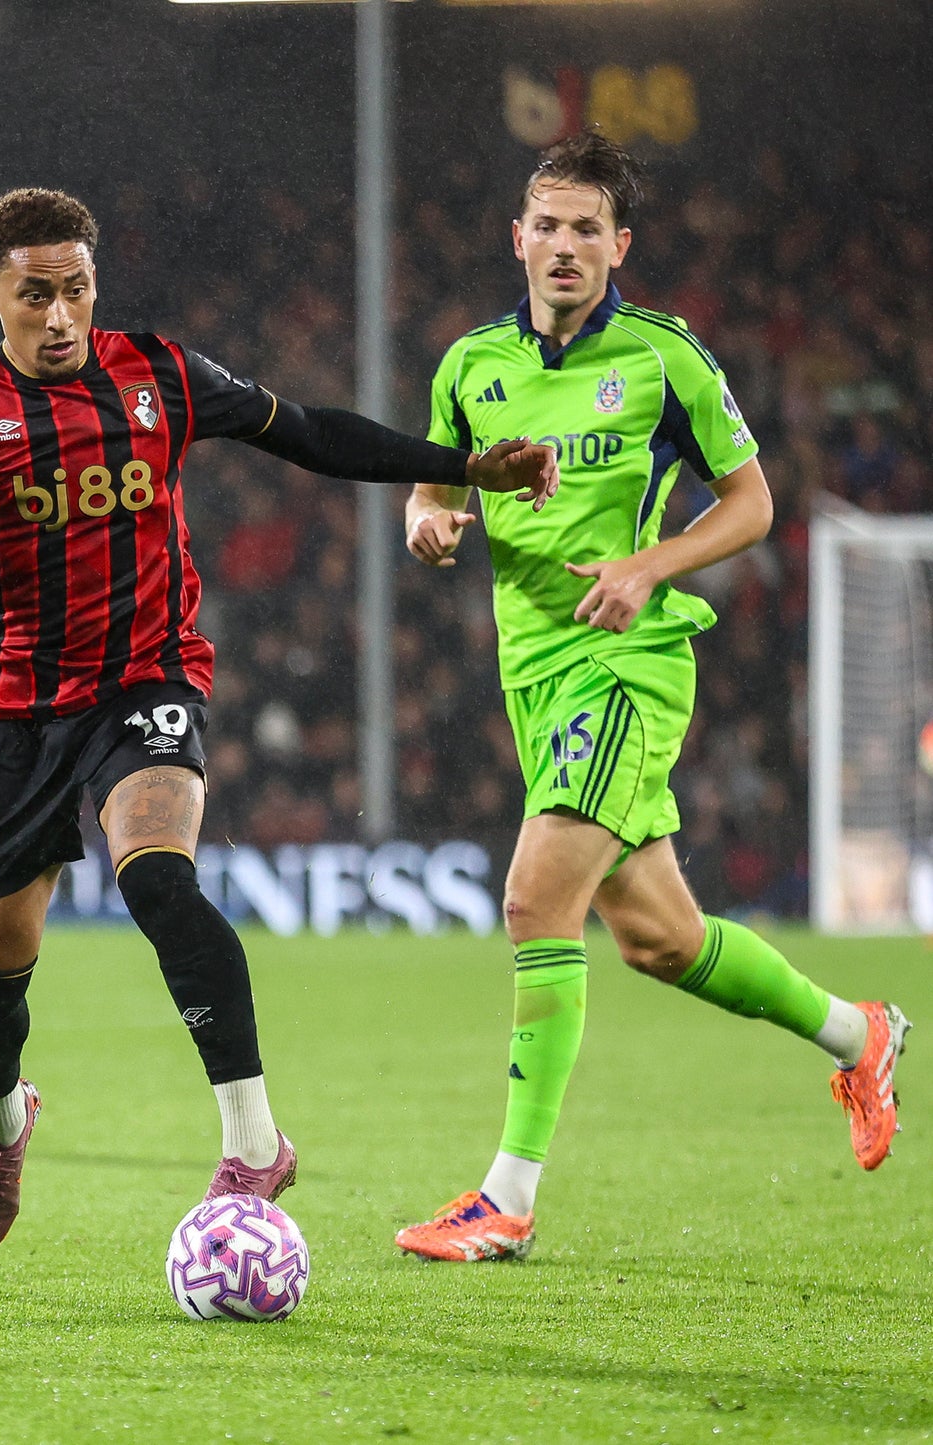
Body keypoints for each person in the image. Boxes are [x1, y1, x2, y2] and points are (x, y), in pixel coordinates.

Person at [0, 186, 558, 1252]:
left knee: (157, 876)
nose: (59, 316)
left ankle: (253, 1141)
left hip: (145, 681)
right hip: (12, 713)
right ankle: (4, 1121)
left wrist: (461, 466)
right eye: (33, 295)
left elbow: (313, 436)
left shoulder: (160, 374)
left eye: (76, 289)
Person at [395, 131, 910, 1263]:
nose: (565, 244)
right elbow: (428, 490)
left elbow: (752, 503)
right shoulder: (467, 364)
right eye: (548, 223)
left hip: (629, 664)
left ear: (617, 244)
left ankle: (506, 1198)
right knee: (660, 940)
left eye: (589, 227)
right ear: (515, 238)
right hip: (532, 673)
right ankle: (855, 1030)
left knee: (536, 902)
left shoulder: (664, 357)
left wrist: (646, 565)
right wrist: (427, 523)